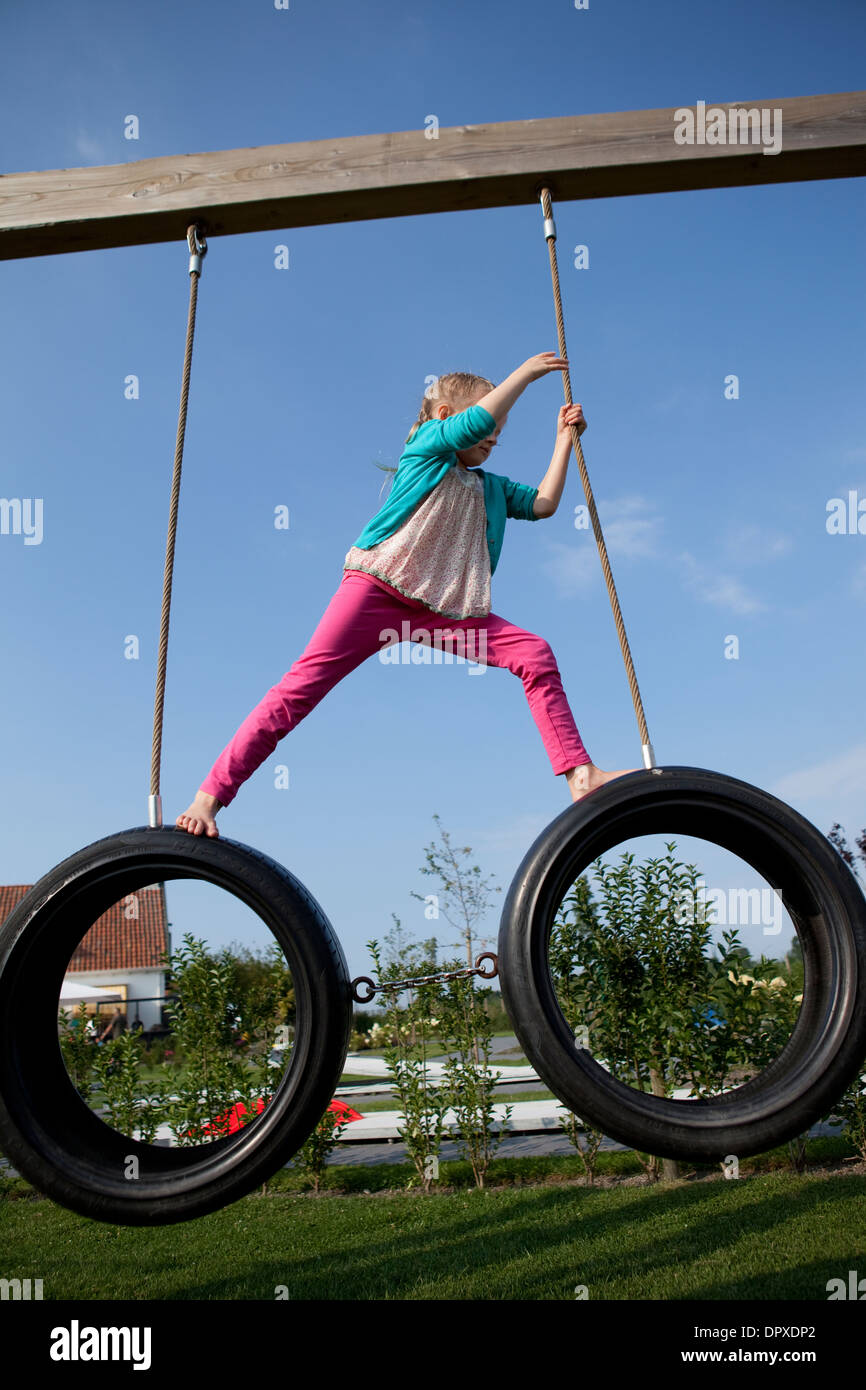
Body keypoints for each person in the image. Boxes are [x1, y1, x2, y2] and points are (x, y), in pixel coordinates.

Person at [177, 352, 637, 839]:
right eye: (491, 424)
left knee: (534, 653)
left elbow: (543, 504)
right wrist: (524, 373)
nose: (495, 435)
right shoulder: (424, 448)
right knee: (300, 688)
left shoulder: (491, 488)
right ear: (445, 418)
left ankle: (580, 775)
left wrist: (564, 440)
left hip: (444, 609)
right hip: (375, 592)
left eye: (499, 432)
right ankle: (208, 798)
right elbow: (472, 424)